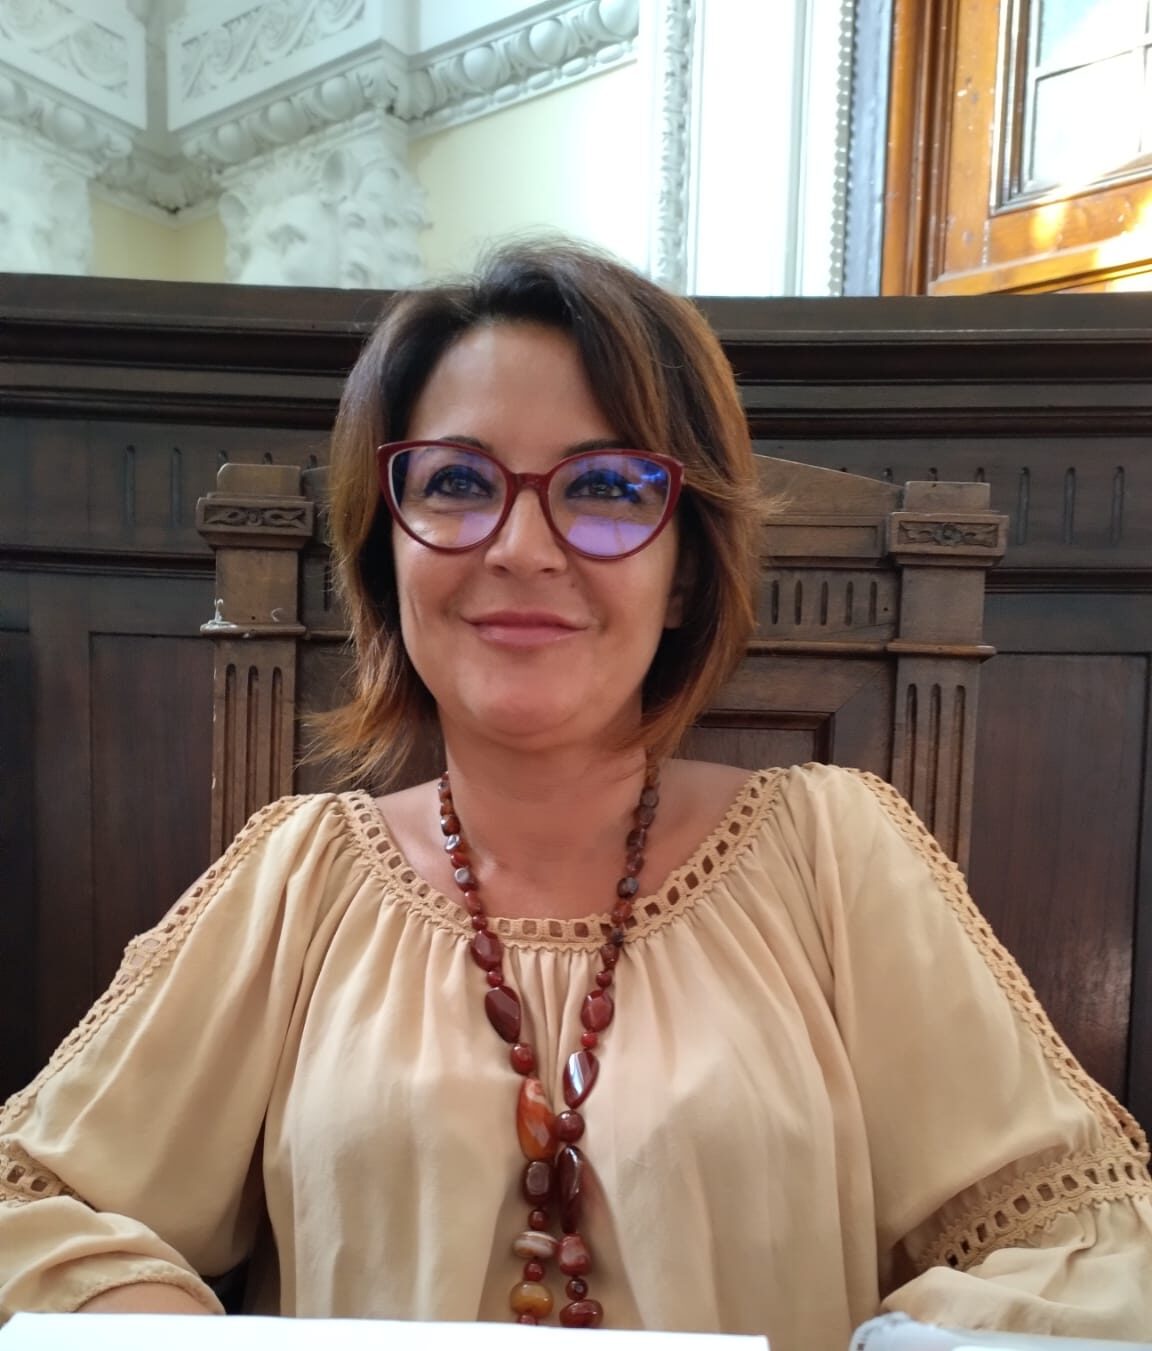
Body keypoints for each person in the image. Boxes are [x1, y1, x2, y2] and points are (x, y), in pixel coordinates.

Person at [1, 243, 1150, 1351]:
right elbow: (29, 1204)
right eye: (457, 482)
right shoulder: (298, 878)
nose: (522, 546)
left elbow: (1086, 1244)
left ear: (684, 567)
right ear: (387, 550)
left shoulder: (836, 853)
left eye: (603, 486)